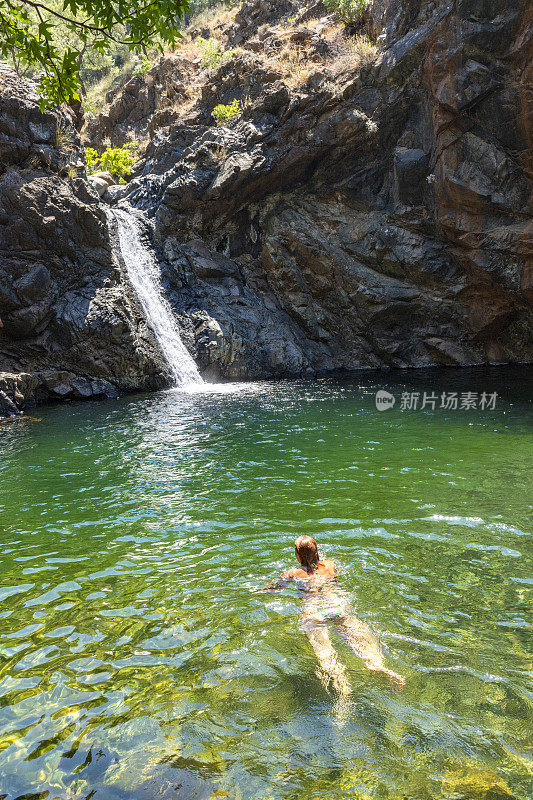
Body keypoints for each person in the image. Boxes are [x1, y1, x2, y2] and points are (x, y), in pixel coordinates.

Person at [255, 535, 405, 694]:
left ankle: (343, 685)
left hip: (314, 612)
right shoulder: (330, 565)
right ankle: (378, 665)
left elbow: (275, 589)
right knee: (359, 641)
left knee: (326, 653)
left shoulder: (293, 573)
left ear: (297, 555)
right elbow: (327, 572)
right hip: (335, 607)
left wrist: (255, 590)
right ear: (317, 552)